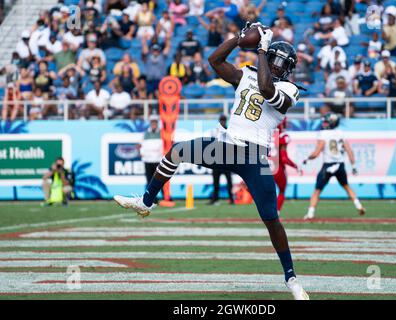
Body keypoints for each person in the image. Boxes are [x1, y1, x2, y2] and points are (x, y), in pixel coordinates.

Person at [113, 22, 309, 300]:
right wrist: (238, 39)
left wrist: (263, 50)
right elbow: (215, 60)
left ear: (288, 68)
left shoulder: (290, 90)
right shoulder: (247, 74)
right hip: (227, 146)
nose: (276, 66)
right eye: (274, 60)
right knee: (177, 151)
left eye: (280, 62)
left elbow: (266, 89)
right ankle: (146, 202)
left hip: (253, 156)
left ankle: (291, 278)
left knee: (271, 219)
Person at [303, 113, 365, 220]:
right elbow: (349, 150)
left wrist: (307, 158)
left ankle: (310, 213)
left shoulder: (323, 134)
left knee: (317, 191)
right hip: (340, 165)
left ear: (332, 122)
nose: (324, 123)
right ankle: (359, 206)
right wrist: (354, 166)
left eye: (326, 121)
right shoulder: (340, 133)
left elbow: (317, 152)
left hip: (328, 166)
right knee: (346, 186)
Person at [273, 118, 301, 214]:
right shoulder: (283, 136)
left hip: (265, 167)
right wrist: (296, 166)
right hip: (277, 168)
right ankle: (276, 212)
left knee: (267, 192)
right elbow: (284, 159)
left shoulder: (266, 134)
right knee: (281, 191)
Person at [208, 115, 234, 205]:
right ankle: (215, 199)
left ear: (225, 121)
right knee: (215, 182)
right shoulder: (215, 132)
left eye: (224, 120)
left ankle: (231, 198)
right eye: (221, 121)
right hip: (217, 161)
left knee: (229, 181)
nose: (222, 122)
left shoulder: (229, 131)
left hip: (226, 161)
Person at [139, 115, 163, 201]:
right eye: (152, 122)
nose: (154, 124)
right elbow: (140, 145)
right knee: (149, 180)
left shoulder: (162, 133)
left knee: (160, 179)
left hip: (158, 160)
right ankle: (153, 198)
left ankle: (165, 197)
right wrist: (142, 153)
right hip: (148, 160)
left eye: (155, 122)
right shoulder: (145, 133)